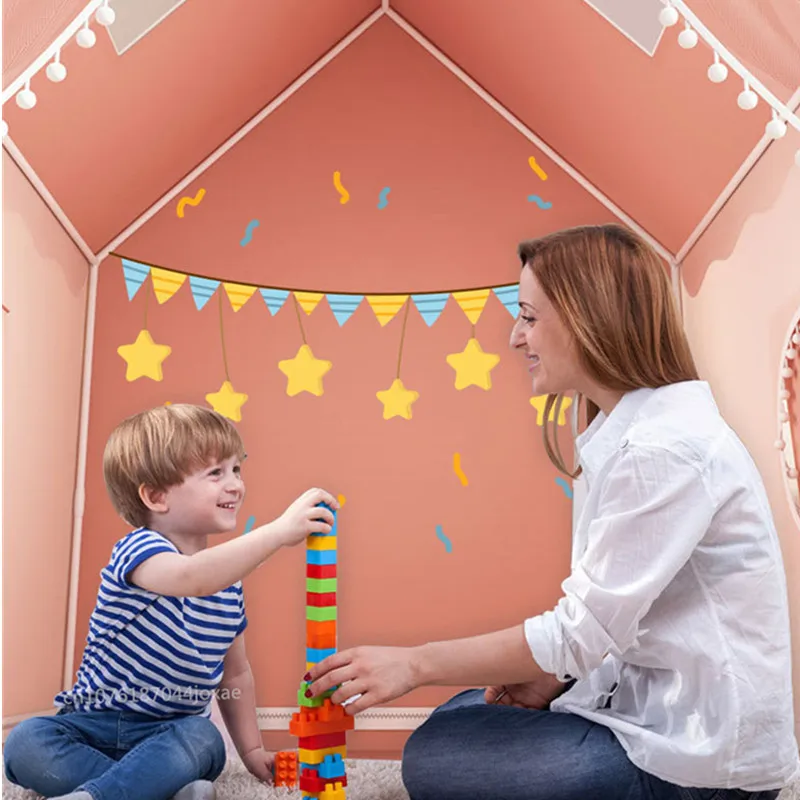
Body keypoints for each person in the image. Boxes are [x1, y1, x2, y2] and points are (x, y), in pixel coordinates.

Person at [305, 224, 800, 800]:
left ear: (590, 317)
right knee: (462, 716)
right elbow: (614, 620)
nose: (516, 337)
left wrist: (414, 663)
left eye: (529, 316)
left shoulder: (662, 450)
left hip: (705, 769)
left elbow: (581, 630)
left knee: (437, 756)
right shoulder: (628, 435)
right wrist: (552, 677)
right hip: (654, 712)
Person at [3, 404, 339, 800]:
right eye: (215, 473)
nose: (234, 484)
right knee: (25, 741)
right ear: (156, 496)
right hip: (91, 724)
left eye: (236, 469)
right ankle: (140, 791)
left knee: (202, 738)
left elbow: (235, 676)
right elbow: (189, 577)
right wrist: (279, 532)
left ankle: (110, 791)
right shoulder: (139, 550)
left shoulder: (227, 584)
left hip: (172, 730)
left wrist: (250, 752)